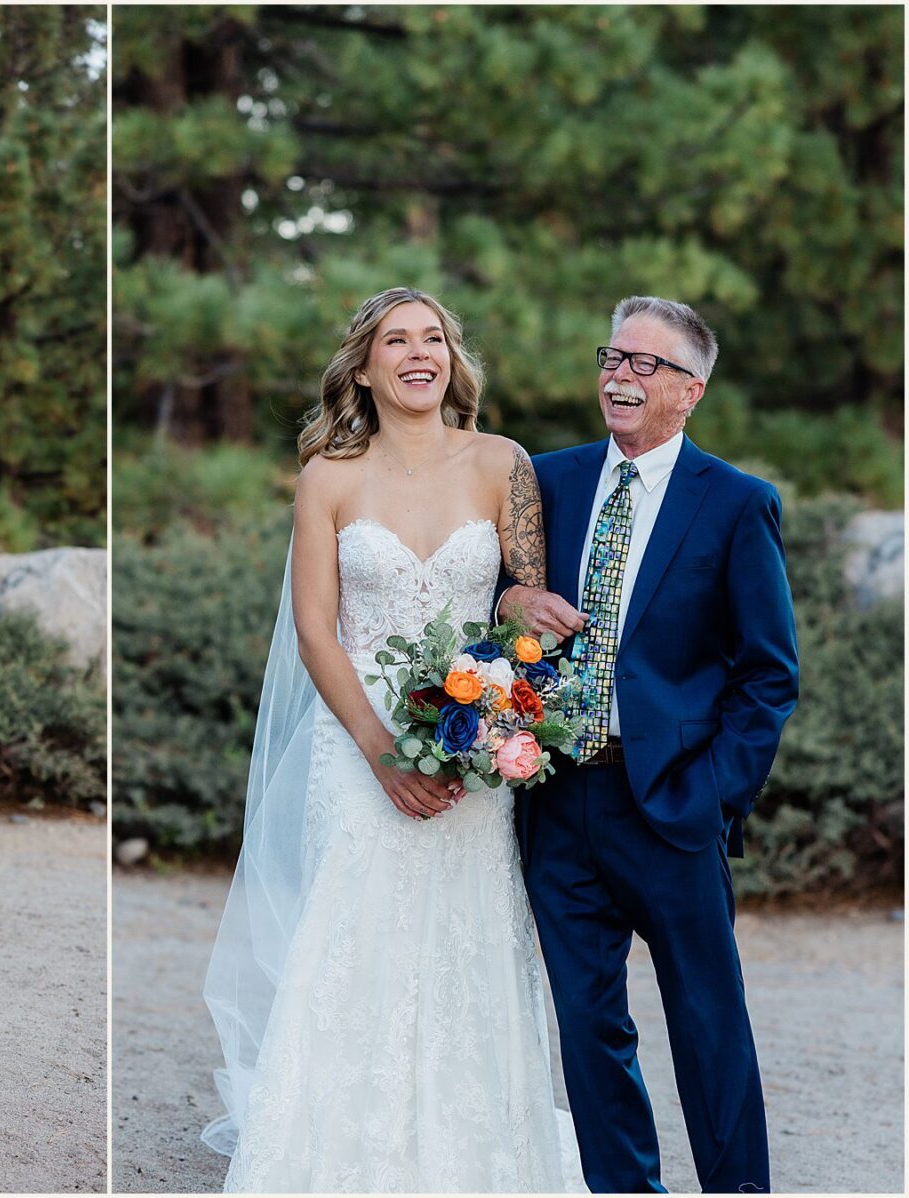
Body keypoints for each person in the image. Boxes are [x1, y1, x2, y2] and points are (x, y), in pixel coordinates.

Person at [204, 288, 583, 1191]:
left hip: (470, 744)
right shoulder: (328, 479)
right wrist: (379, 750)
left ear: (453, 358)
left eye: (435, 337)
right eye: (397, 340)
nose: (421, 353)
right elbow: (315, 631)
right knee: (355, 935)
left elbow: (518, 600)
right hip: (355, 739)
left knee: (468, 940)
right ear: (364, 366)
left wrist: (511, 657)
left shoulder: (503, 463)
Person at [498, 297, 799, 1193]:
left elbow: (768, 675)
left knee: (709, 1024)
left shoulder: (738, 504)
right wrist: (512, 604)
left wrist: (712, 797)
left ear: (691, 391)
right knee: (590, 1029)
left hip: (671, 802)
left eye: (646, 365)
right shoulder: (543, 481)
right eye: (613, 357)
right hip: (557, 797)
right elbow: (489, 605)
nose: (620, 376)